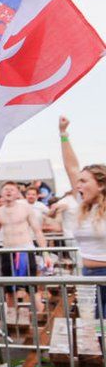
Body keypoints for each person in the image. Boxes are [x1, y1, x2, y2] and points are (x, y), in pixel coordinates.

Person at [58, 116, 106, 312]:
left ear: (101, 185)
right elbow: (71, 168)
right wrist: (63, 134)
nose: (78, 185)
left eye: (84, 181)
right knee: (98, 329)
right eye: (78, 182)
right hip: (89, 274)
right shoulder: (82, 204)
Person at [0, 181, 47, 312]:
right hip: (8, 250)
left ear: (17, 193)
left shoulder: (25, 208)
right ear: (2, 193)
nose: (8, 192)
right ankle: (13, 319)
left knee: (31, 287)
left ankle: (41, 315)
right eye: (6, 189)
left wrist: (45, 252)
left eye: (12, 190)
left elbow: (37, 231)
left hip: (26, 249)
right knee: (9, 289)